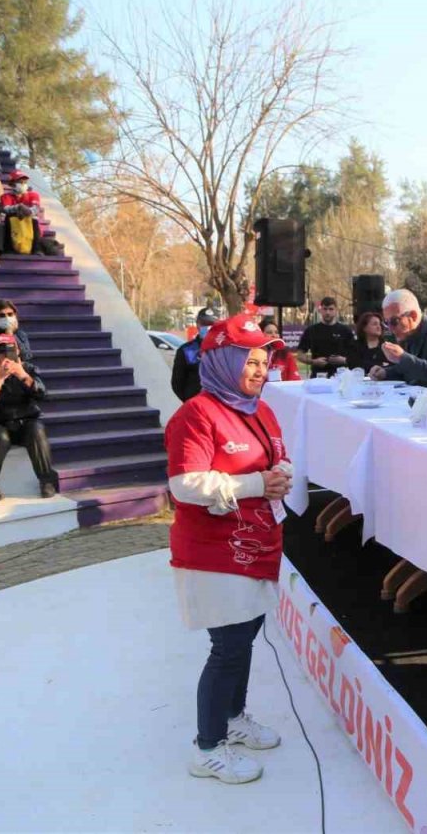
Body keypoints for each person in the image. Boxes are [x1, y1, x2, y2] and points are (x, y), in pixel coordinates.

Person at [164, 314, 293, 785]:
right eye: (250, 360)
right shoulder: (195, 414)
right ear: (221, 360)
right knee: (228, 647)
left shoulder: (260, 409)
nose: (260, 370)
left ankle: (234, 718)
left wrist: (280, 474)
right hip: (214, 552)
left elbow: (276, 457)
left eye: (265, 360)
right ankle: (207, 746)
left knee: (244, 641)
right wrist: (257, 482)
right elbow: (184, 484)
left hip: (258, 544)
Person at [0, 333, 58, 498]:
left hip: (25, 421)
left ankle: (46, 481)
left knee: (36, 430)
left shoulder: (28, 369)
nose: (6, 355)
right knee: (0, 437)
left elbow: (43, 395)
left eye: (10, 350)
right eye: (1, 351)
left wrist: (23, 376)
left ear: (18, 351)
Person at [368, 288, 427, 387]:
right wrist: (385, 373)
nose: (390, 329)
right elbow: (408, 370)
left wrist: (402, 357)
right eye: (386, 322)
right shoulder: (406, 332)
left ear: (413, 316)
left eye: (394, 321)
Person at [295, 296, 354, 376]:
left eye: (331, 309)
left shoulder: (345, 330)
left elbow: (356, 355)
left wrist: (343, 360)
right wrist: (313, 361)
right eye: (325, 309)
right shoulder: (311, 330)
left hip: (341, 376)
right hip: (318, 375)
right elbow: (300, 354)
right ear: (320, 310)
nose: (327, 312)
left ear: (336, 310)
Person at [172, 308, 218, 402]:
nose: (208, 327)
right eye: (204, 324)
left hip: (218, 406)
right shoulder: (186, 350)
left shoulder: (224, 349)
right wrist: (189, 400)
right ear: (198, 324)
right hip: (195, 405)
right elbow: (177, 383)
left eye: (211, 324)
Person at [258, 317, 299, 382]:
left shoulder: (286, 355)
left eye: (276, 332)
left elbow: (295, 380)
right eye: (269, 332)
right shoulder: (255, 354)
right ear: (260, 334)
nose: (274, 335)